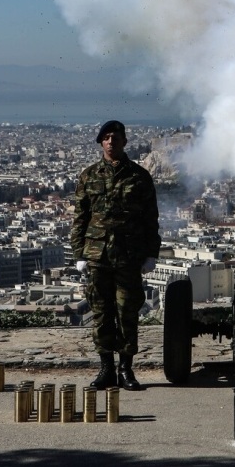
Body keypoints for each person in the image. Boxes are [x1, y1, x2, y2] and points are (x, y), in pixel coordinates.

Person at [71, 120, 161, 391]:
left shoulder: (139, 176)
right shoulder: (88, 176)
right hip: (98, 255)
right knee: (101, 312)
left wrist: (151, 254)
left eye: (116, 137)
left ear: (124, 142)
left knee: (127, 312)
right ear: (101, 142)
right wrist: (79, 254)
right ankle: (106, 368)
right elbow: (80, 218)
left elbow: (150, 219)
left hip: (129, 255)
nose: (111, 141)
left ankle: (126, 368)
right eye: (106, 137)